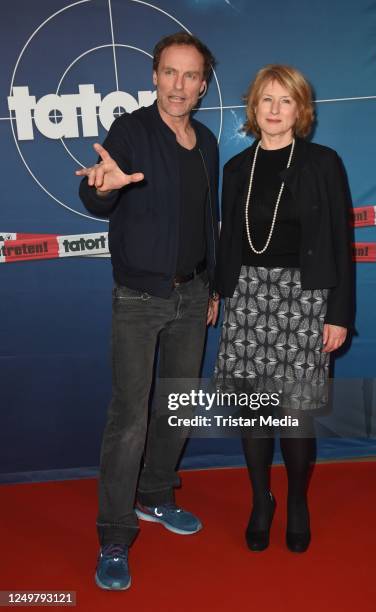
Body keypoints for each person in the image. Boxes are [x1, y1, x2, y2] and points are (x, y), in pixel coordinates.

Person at [76, 32, 219, 590]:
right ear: (155, 76)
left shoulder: (206, 141)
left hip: (193, 295)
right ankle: (115, 533)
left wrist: (213, 289)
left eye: (190, 75)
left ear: (203, 85)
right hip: (138, 298)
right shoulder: (131, 130)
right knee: (129, 418)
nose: (179, 85)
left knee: (178, 406)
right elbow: (98, 192)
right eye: (170, 73)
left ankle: (156, 495)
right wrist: (104, 190)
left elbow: (208, 220)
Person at [214, 65, 354, 553]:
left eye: (285, 101)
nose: (274, 110)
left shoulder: (323, 163)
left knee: (295, 416)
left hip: (306, 300)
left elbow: (341, 240)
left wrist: (339, 312)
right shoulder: (235, 170)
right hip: (249, 298)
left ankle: (296, 501)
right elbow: (227, 241)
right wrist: (216, 291)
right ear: (253, 108)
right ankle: (260, 500)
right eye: (265, 100)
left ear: (300, 109)